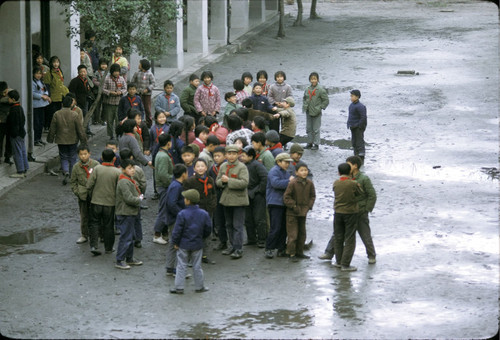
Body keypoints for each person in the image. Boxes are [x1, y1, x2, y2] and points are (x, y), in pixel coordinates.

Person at [170, 189, 212, 294]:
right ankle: (199, 286)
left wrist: (175, 242)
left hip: (183, 244)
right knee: (197, 266)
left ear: (188, 201)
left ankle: (179, 287)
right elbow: (208, 229)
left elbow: (177, 231)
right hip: (197, 243)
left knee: (181, 265)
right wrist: (202, 238)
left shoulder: (182, 214)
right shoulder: (204, 214)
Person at [215, 145, 249, 259]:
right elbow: (217, 182)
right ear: (226, 155)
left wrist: (229, 180)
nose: (231, 156)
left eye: (234, 154)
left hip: (238, 201)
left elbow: (244, 183)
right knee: (228, 224)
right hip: (227, 200)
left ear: (238, 155)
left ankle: (238, 248)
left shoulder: (242, 167)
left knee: (237, 225)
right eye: (229, 154)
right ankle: (232, 245)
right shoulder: (223, 166)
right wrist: (222, 182)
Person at [86, 149, 121, 255]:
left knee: (94, 224)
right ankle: (108, 248)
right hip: (110, 203)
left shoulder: (96, 169)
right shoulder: (117, 172)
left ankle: (94, 246)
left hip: (96, 201)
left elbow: (89, 185)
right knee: (109, 225)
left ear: (102, 157)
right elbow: (119, 189)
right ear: (114, 159)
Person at [47, 96, 87, 185]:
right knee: (73, 156)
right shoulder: (75, 115)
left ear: (62, 104)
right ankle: (72, 174)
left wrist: (50, 138)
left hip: (61, 139)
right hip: (73, 139)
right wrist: (83, 140)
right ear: (71, 105)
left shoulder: (57, 114)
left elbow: (52, 128)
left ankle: (65, 171)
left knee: (63, 156)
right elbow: (80, 129)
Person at [183, 158, 217, 264]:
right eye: (198, 166)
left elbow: (214, 194)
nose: (200, 168)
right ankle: (191, 257)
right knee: (194, 233)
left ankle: (204, 255)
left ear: (206, 168)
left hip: (208, 211)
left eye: (203, 166)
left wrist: (212, 205)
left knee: (207, 233)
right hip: (195, 212)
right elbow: (186, 196)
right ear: (194, 168)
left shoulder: (210, 180)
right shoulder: (190, 181)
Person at [332, 162, 363, 272]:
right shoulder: (353, 183)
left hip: (338, 212)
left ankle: (338, 261)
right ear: (350, 171)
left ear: (339, 172)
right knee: (349, 238)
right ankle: (345, 264)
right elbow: (360, 194)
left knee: (338, 237)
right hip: (350, 213)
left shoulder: (336, 183)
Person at [283, 161, 316, 262]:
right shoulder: (292, 183)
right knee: (293, 234)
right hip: (292, 213)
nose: (304, 172)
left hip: (303, 212)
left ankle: (299, 252)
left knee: (302, 233)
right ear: (296, 172)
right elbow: (286, 197)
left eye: (305, 170)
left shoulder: (310, 183)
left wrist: (308, 206)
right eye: (301, 170)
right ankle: (291, 253)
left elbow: (312, 196)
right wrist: (294, 206)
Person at [114, 159, 144, 269]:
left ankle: (129, 258)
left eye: (133, 168)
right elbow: (128, 198)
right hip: (125, 212)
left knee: (131, 236)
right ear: (123, 169)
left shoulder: (128, 179)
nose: (133, 170)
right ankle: (120, 259)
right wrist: (139, 199)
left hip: (131, 212)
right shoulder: (123, 181)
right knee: (126, 236)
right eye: (129, 168)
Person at [265, 152, 294, 259]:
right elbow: (276, 184)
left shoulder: (285, 172)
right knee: (275, 227)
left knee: (283, 228)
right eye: (286, 162)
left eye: (288, 162)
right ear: (278, 162)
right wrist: (289, 182)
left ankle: (281, 248)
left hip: (282, 203)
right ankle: (269, 248)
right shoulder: (274, 171)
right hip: (275, 202)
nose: (288, 164)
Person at [348, 155, 376, 263]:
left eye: (348, 164)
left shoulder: (364, 179)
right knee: (338, 234)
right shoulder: (347, 177)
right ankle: (329, 252)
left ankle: (371, 255)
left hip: (360, 212)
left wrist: (366, 209)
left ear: (355, 166)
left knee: (365, 235)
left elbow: (372, 195)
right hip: (348, 212)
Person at [70, 144, 100, 244]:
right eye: (81, 154)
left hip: (94, 194)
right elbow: (73, 182)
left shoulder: (96, 165)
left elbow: (100, 179)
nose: (83, 156)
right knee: (84, 216)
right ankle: (84, 235)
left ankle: (97, 234)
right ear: (78, 155)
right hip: (82, 195)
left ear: (89, 154)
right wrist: (77, 192)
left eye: (85, 154)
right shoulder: (76, 167)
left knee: (96, 215)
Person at [240, 146, 268, 248]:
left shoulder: (257, 165)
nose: (241, 157)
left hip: (257, 195)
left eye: (244, 155)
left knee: (259, 218)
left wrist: (259, 190)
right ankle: (251, 239)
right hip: (247, 194)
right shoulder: (243, 165)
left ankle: (261, 239)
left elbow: (265, 178)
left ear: (251, 156)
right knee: (248, 218)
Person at [119, 149, 147, 248]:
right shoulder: (138, 169)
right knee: (137, 220)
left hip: (124, 202)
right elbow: (143, 183)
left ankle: (130, 238)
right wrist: (141, 194)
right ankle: (138, 239)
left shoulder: (119, 171)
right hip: (136, 197)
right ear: (131, 157)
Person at [164, 164, 188, 275]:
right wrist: (181, 214)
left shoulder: (175, 185)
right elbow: (171, 204)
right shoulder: (177, 186)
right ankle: (176, 268)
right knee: (177, 244)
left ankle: (170, 267)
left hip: (173, 218)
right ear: (183, 174)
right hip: (175, 220)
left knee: (173, 243)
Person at [153, 133, 174, 245]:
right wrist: (173, 180)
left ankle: (163, 233)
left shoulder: (162, 154)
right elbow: (163, 175)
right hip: (164, 187)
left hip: (164, 186)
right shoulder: (163, 156)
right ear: (168, 143)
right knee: (163, 210)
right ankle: (157, 234)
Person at [303, 72, 329, 150]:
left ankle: (316, 144)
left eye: (315, 79)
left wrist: (320, 107)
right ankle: (310, 142)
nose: (313, 80)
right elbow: (304, 98)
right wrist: (305, 106)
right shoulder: (307, 89)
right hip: (308, 111)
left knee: (316, 129)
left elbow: (326, 100)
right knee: (309, 128)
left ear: (317, 80)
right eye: (311, 79)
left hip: (316, 112)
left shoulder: (321, 90)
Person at [6, 90, 29, 178]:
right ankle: (25, 167)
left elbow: (13, 123)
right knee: (22, 150)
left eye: (9, 98)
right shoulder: (19, 107)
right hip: (21, 133)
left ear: (13, 99)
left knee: (17, 152)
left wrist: (13, 134)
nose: (8, 100)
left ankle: (20, 171)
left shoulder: (13, 110)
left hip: (16, 134)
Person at [43, 56, 69, 132]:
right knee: (52, 113)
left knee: (58, 113)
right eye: (54, 62)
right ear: (51, 63)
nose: (56, 64)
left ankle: (57, 128)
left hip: (60, 96)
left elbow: (61, 84)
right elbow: (47, 86)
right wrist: (48, 96)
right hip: (53, 97)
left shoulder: (60, 71)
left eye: (57, 62)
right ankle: (49, 128)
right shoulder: (49, 74)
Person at [209, 146, 227, 250]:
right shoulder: (213, 168)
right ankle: (222, 240)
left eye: (218, 156)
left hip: (226, 195)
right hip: (216, 196)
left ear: (224, 156)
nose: (216, 158)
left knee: (228, 220)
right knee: (219, 220)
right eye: (214, 156)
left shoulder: (227, 167)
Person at [102, 63, 127, 139]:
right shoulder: (107, 79)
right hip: (109, 103)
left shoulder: (121, 79)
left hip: (119, 103)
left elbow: (125, 88)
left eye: (118, 71)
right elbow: (103, 89)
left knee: (118, 120)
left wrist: (121, 92)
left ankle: (118, 134)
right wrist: (110, 92)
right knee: (109, 120)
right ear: (112, 71)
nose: (116, 73)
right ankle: (110, 135)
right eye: (115, 71)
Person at [68, 64, 94, 136]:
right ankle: (81, 131)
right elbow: (71, 91)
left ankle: (87, 130)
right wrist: (74, 100)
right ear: (78, 72)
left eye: (84, 72)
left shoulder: (86, 80)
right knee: (80, 116)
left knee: (87, 115)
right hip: (79, 102)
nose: (83, 73)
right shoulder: (75, 81)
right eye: (81, 72)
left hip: (86, 101)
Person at [131, 59, 156, 127]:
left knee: (147, 108)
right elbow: (133, 82)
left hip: (147, 94)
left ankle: (149, 123)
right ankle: (138, 122)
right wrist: (134, 89)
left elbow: (153, 83)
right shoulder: (137, 73)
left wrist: (148, 89)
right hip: (138, 94)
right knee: (138, 108)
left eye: (140, 64)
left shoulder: (149, 74)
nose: (139, 65)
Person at [32, 67, 51, 146]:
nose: (39, 75)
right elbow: (32, 93)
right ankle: (35, 139)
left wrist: (46, 95)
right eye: (37, 73)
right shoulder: (33, 82)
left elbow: (45, 90)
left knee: (41, 123)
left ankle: (39, 138)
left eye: (40, 73)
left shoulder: (41, 82)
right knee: (37, 123)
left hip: (42, 104)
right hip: (36, 105)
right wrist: (42, 96)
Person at [347, 89, 367, 161]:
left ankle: (361, 153)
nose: (351, 97)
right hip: (352, 126)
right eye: (351, 96)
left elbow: (363, 117)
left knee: (359, 140)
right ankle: (356, 153)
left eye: (352, 96)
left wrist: (360, 125)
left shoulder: (360, 106)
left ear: (357, 97)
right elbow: (350, 116)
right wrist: (348, 124)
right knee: (354, 141)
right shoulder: (351, 105)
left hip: (358, 127)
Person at [91, 58, 108, 125]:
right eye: (102, 64)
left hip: (106, 92)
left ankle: (104, 119)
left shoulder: (108, 72)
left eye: (105, 64)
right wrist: (100, 85)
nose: (103, 66)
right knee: (97, 106)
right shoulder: (97, 72)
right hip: (98, 91)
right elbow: (94, 80)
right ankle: (96, 119)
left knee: (105, 106)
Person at [0, 81, 12, 164]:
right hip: (2, 121)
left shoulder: (11, 94)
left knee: (9, 140)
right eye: (2, 93)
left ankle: (8, 157)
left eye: (5, 92)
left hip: (9, 120)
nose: (4, 94)